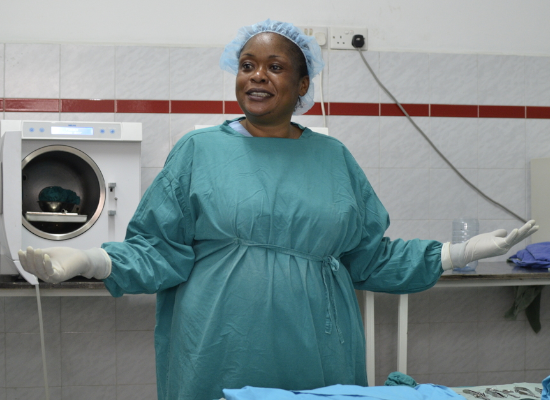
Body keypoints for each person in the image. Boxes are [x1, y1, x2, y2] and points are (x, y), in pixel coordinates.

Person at [18, 19, 538, 400]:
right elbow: (160, 251)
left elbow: (368, 256)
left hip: (318, 345)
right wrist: (90, 262)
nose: (257, 76)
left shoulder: (332, 157)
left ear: (303, 85)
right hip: (219, 344)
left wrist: (458, 251)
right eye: (247, 66)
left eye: (274, 66)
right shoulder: (199, 151)